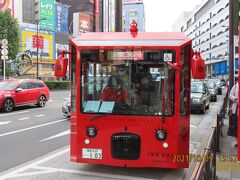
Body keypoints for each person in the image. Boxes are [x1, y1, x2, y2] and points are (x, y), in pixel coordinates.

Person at [228, 76, 238, 150]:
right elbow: (230, 95)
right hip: (236, 109)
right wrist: (235, 98)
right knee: (235, 127)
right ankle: (237, 142)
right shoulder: (235, 86)